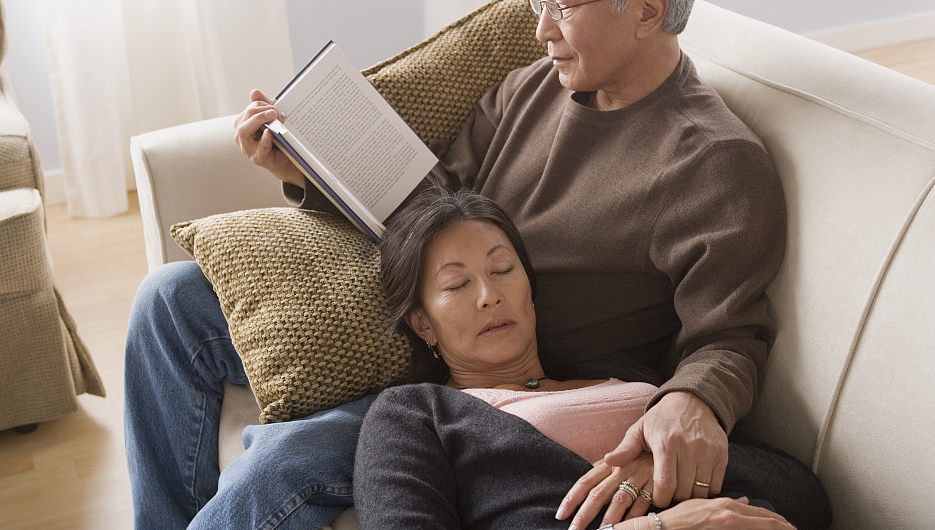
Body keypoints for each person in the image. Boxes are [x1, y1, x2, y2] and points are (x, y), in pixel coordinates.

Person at [126, 0, 788, 529]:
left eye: (563, 4)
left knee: (282, 461)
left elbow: (729, 334)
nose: (541, 29)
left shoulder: (713, 163)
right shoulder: (533, 90)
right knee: (168, 302)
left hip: (507, 395)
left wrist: (694, 400)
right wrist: (309, 170)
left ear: (647, 11)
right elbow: (438, 207)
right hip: (432, 319)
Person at [354, 185, 829, 530]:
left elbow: (806, 496)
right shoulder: (412, 416)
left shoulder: (625, 376)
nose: (488, 296)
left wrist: (661, 466)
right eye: (457, 285)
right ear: (421, 323)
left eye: (503, 269)